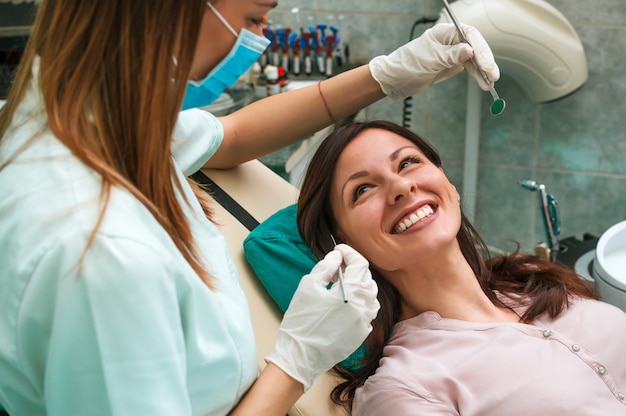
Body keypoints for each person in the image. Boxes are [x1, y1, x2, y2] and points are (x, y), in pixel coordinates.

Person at [0, 0, 500, 414]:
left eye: (410, 162)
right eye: (254, 20)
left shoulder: (100, 122)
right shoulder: (102, 251)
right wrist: (295, 361)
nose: (262, 39)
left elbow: (233, 134)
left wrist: (385, 74)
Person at [296, 120, 626, 415]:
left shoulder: (531, 277)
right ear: (344, 244)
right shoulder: (403, 387)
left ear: (448, 184)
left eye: (408, 163)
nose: (400, 187)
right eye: (363, 190)